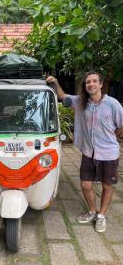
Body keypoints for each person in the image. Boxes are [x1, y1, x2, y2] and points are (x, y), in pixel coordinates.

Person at [47, 71, 123, 233]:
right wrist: (55, 82)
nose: (91, 84)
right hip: (89, 152)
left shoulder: (113, 104)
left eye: (94, 81)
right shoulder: (81, 102)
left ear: (101, 84)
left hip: (108, 154)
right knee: (85, 184)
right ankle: (92, 211)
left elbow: (121, 126)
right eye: (88, 82)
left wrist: (113, 137)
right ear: (85, 85)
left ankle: (101, 215)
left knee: (107, 186)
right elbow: (63, 97)